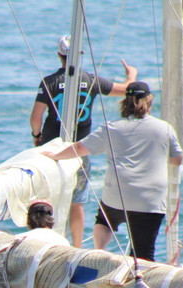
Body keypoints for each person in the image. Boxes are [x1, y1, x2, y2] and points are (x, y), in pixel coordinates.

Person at [42, 81, 183, 262]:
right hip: (150, 200)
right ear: (149, 101)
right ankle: (140, 283)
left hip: (117, 194)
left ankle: (99, 250)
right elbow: (176, 160)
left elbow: (79, 147)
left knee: (104, 221)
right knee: (143, 255)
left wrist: (56, 156)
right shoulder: (165, 128)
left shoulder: (112, 127)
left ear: (125, 101)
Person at [30, 34, 137, 247]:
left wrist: (36, 136)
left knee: (48, 196)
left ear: (59, 55)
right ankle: (77, 247)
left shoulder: (49, 82)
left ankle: (47, 243)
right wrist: (132, 74)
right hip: (80, 149)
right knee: (76, 201)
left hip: (52, 147)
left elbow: (35, 118)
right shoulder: (92, 80)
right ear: (81, 55)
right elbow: (126, 89)